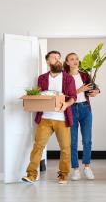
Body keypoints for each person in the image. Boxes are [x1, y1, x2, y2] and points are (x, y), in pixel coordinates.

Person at [22, 50, 77, 184]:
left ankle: (63, 175)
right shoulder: (42, 78)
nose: (58, 60)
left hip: (62, 119)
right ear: (48, 61)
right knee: (38, 146)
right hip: (45, 118)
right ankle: (31, 174)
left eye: (59, 57)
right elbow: (39, 96)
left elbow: (73, 97)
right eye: (54, 57)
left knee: (65, 148)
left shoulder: (68, 78)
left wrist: (66, 104)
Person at [63, 52, 100, 180]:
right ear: (67, 62)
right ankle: (75, 169)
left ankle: (87, 167)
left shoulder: (85, 75)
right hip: (71, 110)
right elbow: (63, 95)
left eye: (77, 59)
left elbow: (94, 88)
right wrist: (79, 90)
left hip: (85, 109)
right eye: (72, 59)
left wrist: (96, 92)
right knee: (72, 142)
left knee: (87, 140)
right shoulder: (64, 77)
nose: (75, 61)